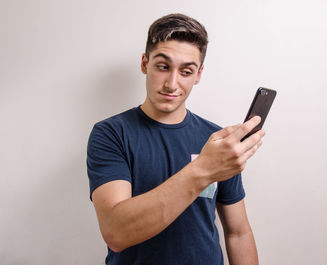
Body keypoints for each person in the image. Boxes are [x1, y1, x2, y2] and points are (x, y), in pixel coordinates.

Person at [87, 13, 264, 265]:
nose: (172, 83)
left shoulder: (217, 141)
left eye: (186, 71)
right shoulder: (111, 134)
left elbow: (238, 233)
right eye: (162, 66)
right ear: (144, 63)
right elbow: (117, 232)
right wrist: (204, 168)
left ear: (199, 74)